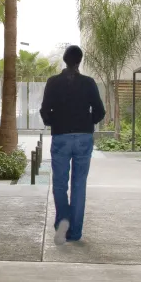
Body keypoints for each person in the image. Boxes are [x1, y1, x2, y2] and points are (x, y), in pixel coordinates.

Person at [39, 45, 105, 245]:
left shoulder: (53, 82)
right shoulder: (89, 83)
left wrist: (55, 122)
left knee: (59, 184)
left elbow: (44, 111)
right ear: (79, 61)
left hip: (61, 137)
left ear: (64, 60)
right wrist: (87, 121)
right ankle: (75, 232)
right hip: (83, 137)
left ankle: (63, 222)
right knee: (78, 185)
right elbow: (100, 111)